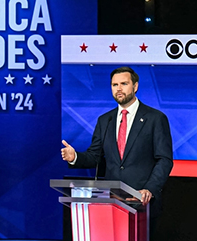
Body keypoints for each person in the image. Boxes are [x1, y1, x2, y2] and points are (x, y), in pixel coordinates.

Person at [60, 66, 173, 211]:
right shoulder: (105, 120)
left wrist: (149, 189)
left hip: (142, 202)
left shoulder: (155, 118)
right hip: (111, 201)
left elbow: (164, 160)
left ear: (135, 86)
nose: (119, 88)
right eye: (115, 85)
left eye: (124, 84)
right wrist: (74, 157)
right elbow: (95, 156)